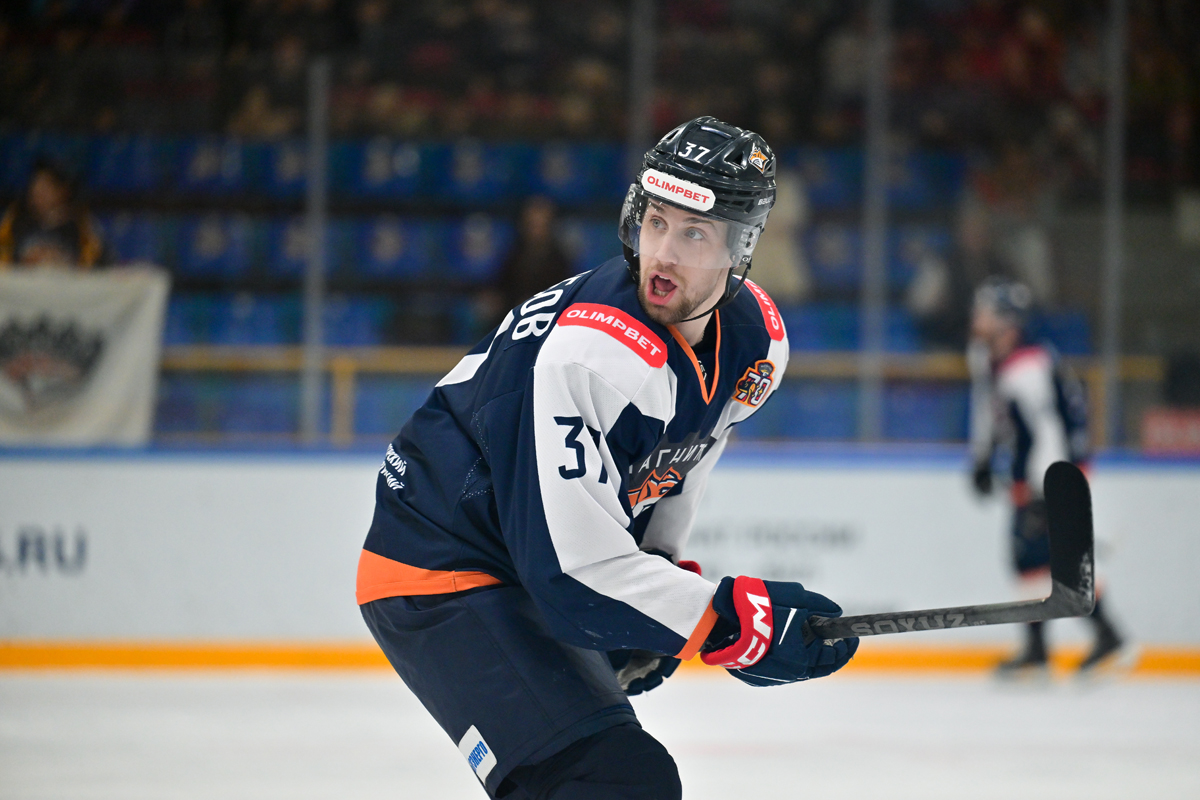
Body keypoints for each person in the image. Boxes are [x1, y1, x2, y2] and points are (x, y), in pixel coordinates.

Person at [356, 117, 858, 799]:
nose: (663, 254)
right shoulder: (594, 352)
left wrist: (660, 578)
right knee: (607, 779)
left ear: (739, 246)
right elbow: (572, 572)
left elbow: (682, 461)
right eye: (656, 222)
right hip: (440, 562)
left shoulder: (756, 340)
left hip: (521, 555)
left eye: (694, 233)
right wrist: (727, 620)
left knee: (613, 780)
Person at [967, 277, 1127, 675]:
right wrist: (983, 460)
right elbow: (992, 413)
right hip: (1032, 476)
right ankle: (1044, 648)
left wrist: (1047, 484)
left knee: (1050, 559)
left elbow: (1051, 429)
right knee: (1030, 560)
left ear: (1006, 321)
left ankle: (1104, 636)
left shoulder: (1031, 365)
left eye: (985, 312)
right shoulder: (987, 357)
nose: (977, 318)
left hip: (1047, 476)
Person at [0, 156, 108, 269]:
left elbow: (100, 264)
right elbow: (3, 255)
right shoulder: (16, 218)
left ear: (63, 191)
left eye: (45, 186)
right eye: (35, 185)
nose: (37, 191)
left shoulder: (81, 224)